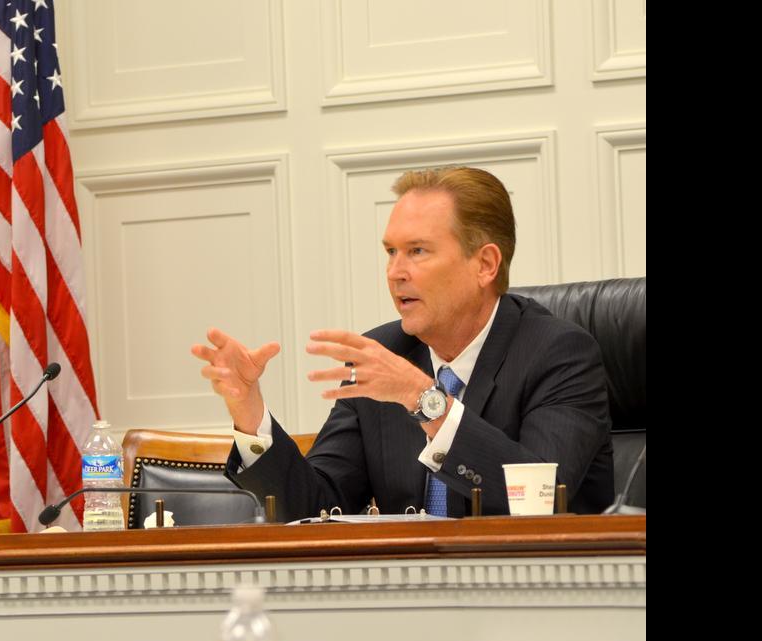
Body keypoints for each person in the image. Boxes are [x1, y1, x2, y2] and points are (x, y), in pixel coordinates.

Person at [192, 166, 614, 522]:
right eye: (391, 251)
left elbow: (541, 500)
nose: (395, 272)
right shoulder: (384, 354)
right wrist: (250, 415)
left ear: (484, 264)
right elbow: (317, 509)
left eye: (417, 251)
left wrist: (423, 398)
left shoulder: (560, 354)